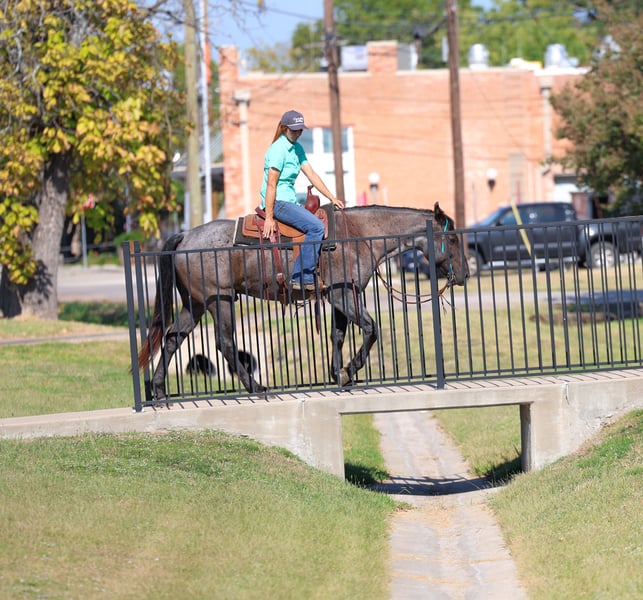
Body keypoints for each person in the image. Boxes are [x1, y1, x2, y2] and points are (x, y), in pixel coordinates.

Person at [260, 109, 345, 291]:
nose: (298, 133)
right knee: (316, 227)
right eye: (295, 129)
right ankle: (302, 277)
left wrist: (331, 197)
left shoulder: (297, 149)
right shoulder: (278, 149)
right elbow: (271, 185)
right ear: (284, 128)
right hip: (278, 202)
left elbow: (311, 174)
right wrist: (269, 216)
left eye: (300, 130)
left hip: (289, 202)